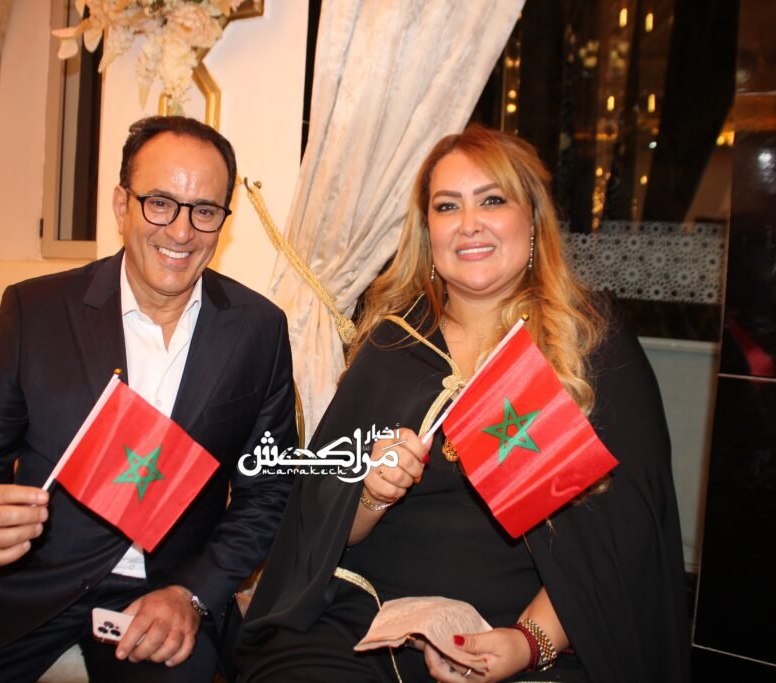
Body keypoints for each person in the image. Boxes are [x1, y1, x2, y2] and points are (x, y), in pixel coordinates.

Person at [236, 125, 690, 682]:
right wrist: (372, 493)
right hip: (369, 620)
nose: (469, 223)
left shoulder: (592, 340)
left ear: (532, 219)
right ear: (428, 230)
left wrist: (527, 644)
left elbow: (623, 533)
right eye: (447, 206)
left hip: (528, 632)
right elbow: (320, 526)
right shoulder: (393, 343)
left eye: (492, 200)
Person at [0, 116, 297, 683]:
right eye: (159, 203)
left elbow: (269, 493)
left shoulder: (258, 329)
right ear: (121, 205)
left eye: (205, 211)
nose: (181, 231)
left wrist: (192, 593)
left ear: (222, 222)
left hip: (165, 592)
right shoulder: (35, 312)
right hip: (28, 580)